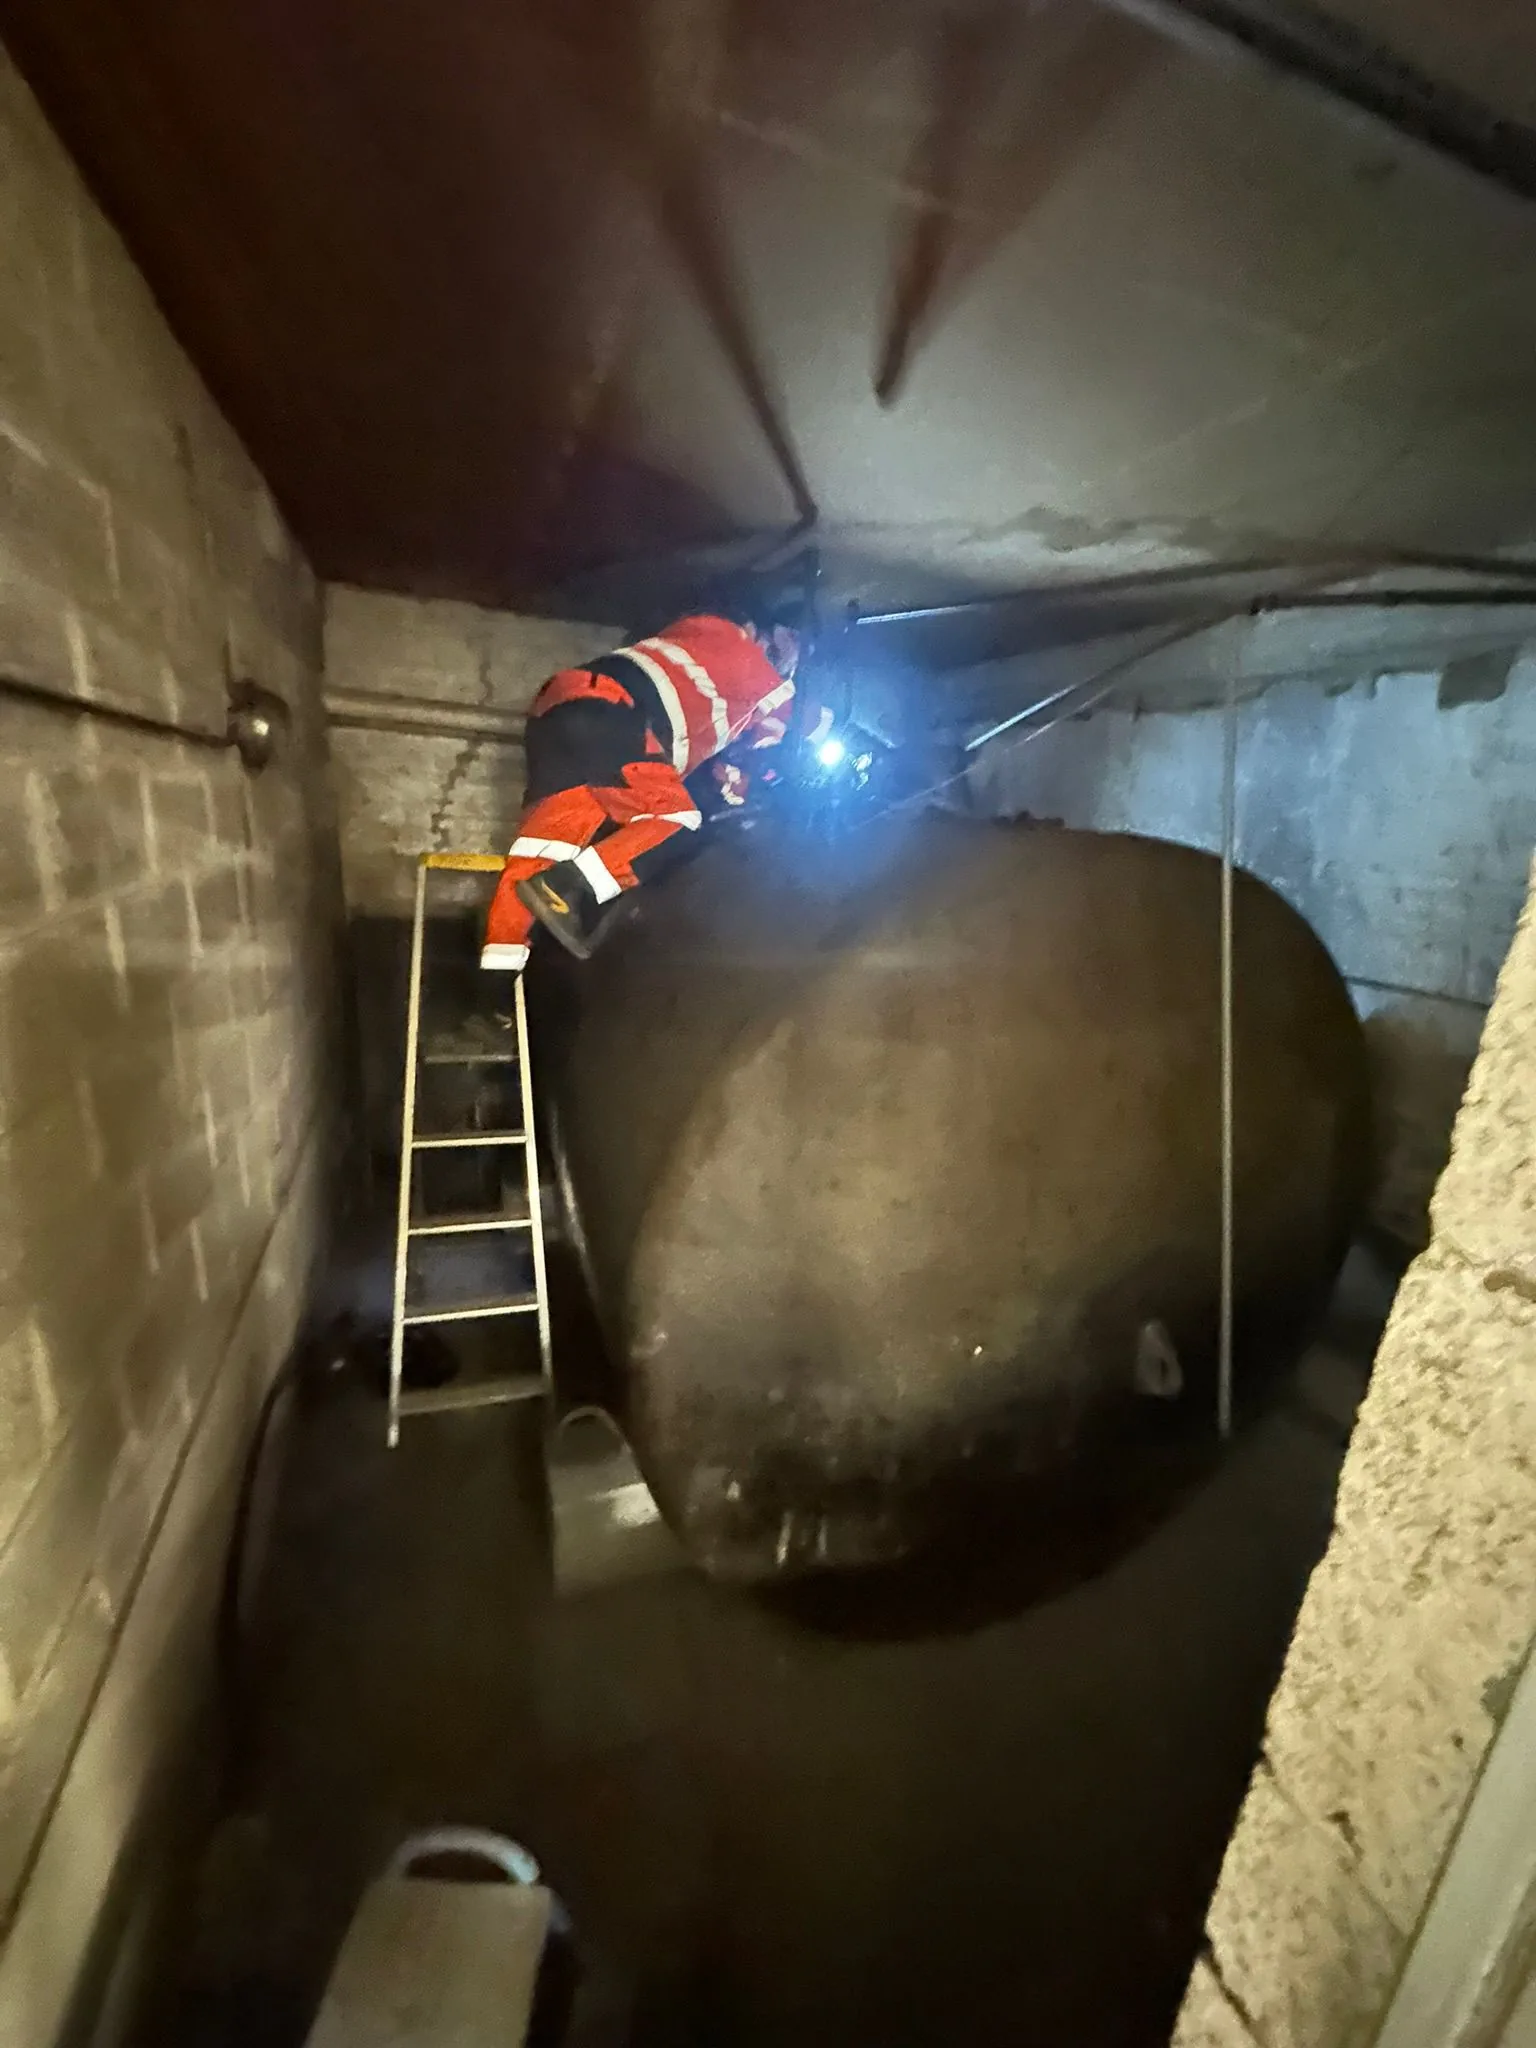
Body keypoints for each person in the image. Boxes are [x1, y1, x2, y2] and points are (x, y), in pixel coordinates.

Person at [480, 609, 806, 968]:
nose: (792, 658)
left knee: (538, 854)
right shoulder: (761, 673)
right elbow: (785, 728)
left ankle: (493, 985)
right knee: (677, 820)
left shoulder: (694, 637)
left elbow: (717, 747)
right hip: (615, 712)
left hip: (558, 708)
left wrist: (728, 776)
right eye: (791, 645)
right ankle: (567, 885)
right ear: (760, 633)